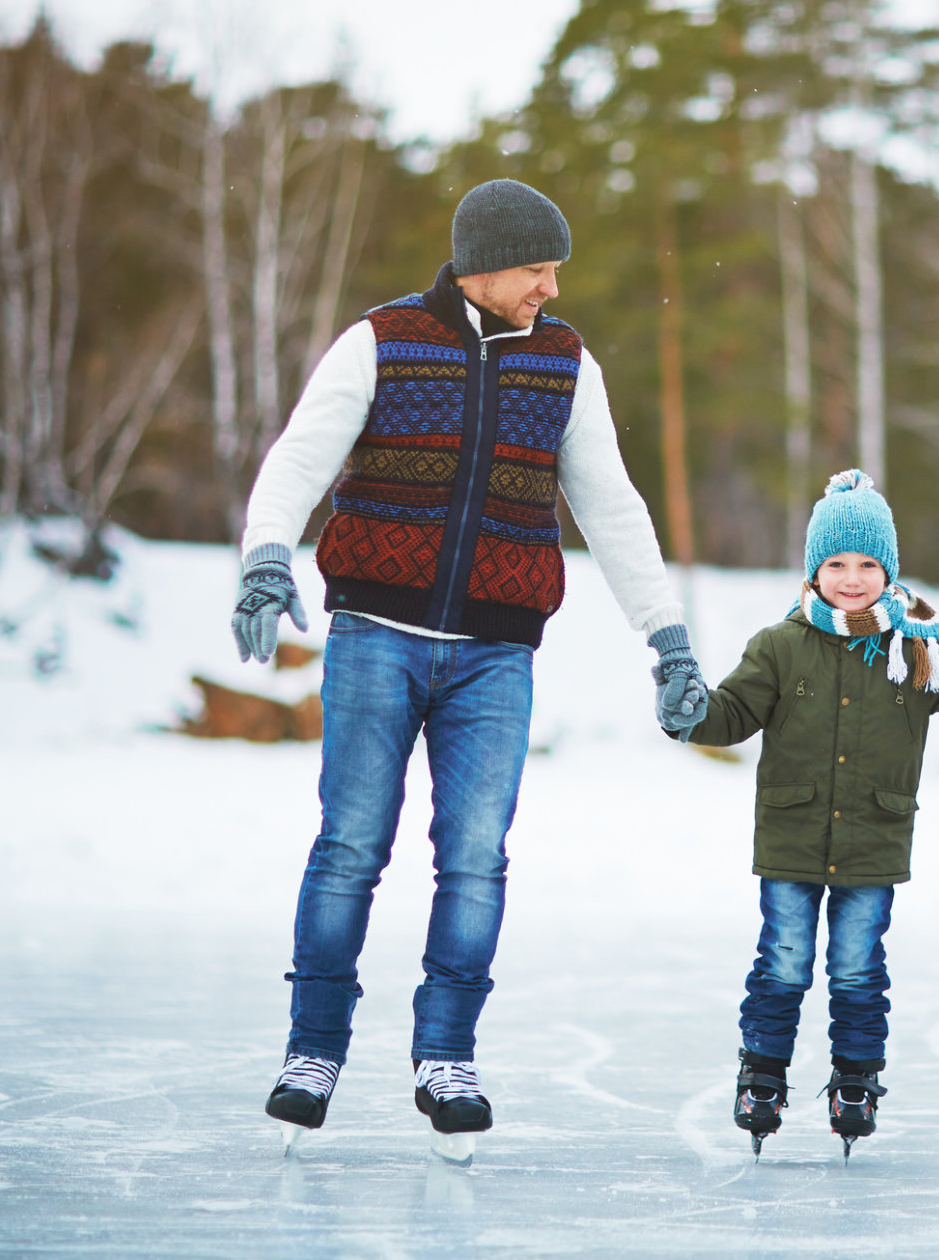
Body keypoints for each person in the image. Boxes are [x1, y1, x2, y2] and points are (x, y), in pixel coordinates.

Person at [228, 179, 710, 1160]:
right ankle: (311, 1051)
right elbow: (297, 459)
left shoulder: (565, 366)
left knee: (476, 857)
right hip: (375, 635)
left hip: (496, 653)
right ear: (486, 261)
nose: (550, 285)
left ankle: (445, 1056)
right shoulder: (382, 342)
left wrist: (667, 637)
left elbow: (611, 508)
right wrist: (267, 556)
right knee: (351, 846)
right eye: (538, 267)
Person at [680, 470, 939, 1158]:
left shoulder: (915, 646)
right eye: (836, 563)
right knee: (783, 962)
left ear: (888, 568)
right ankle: (763, 1073)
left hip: (873, 839)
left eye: (867, 563)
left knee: (859, 966)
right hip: (792, 836)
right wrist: (687, 712)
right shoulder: (780, 644)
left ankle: (856, 1079)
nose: (852, 577)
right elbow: (731, 713)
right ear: (814, 570)